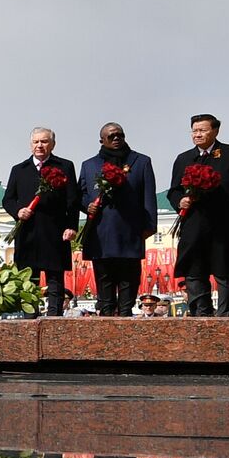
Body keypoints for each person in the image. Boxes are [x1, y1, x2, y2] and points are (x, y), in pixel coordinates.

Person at [167, 114, 229, 317]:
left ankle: (226, 313)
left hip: (224, 224)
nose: (198, 134)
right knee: (194, 270)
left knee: (223, 270)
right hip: (193, 224)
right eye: (194, 131)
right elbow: (174, 190)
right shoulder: (184, 158)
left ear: (215, 131)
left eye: (202, 130)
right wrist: (180, 201)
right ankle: (201, 312)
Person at [79, 122, 157, 316]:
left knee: (128, 286)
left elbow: (149, 196)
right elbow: (80, 194)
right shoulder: (89, 165)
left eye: (120, 135)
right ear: (102, 140)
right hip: (100, 235)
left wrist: (149, 227)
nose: (116, 139)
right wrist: (87, 204)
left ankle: (126, 318)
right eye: (111, 136)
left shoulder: (141, 161)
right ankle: (106, 320)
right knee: (105, 290)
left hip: (130, 234)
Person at [2, 127, 80, 316]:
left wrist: (71, 227)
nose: (40, 145)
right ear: (30, 145)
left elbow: (73, 200)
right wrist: (17, 211)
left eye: (44, 141)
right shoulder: (19, 170)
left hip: (55, 231)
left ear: (52, 144)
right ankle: (30, 318)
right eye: (36, 142)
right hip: (27, 234)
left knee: (55, 280)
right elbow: (8, 199)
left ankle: (54, 318)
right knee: (29, 280)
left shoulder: (64, 166)